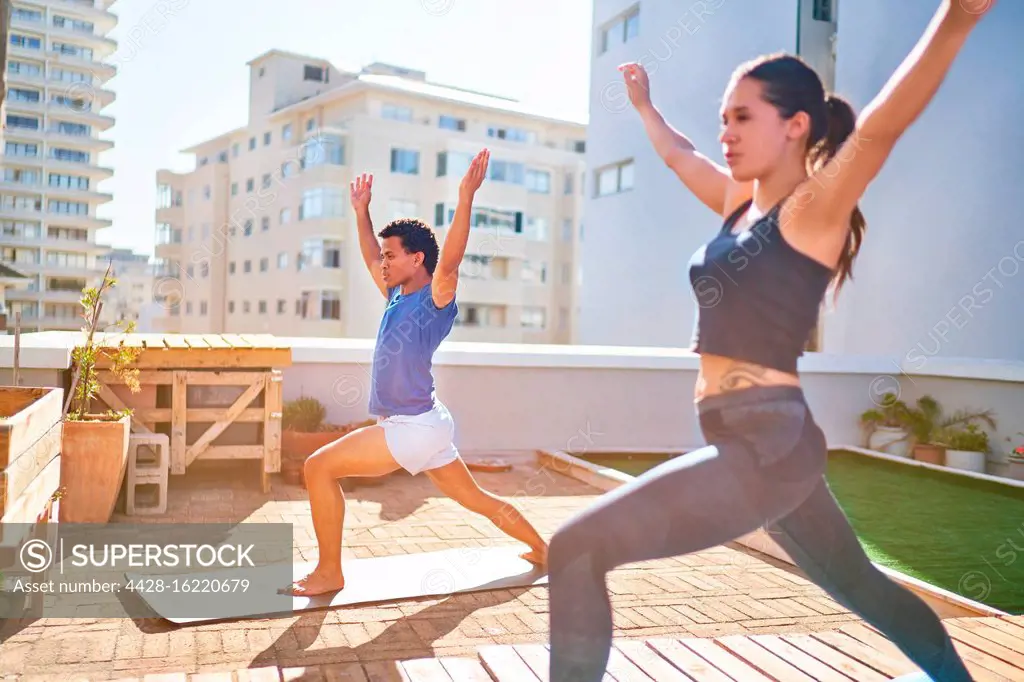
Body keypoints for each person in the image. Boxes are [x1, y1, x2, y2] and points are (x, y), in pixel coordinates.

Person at [546, 2, 995, 681]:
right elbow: (679, 155)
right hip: (761, 444)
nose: (725, 131)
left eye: (742, 117)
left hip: (765, 446)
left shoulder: (812, 209)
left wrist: (956, 19)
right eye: (724, 117)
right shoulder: (738, 208)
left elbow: (879, 130)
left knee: (574, 550)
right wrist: (644, 107)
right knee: (862, 587)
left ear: (796, 126)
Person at [286, 149, 548, 597]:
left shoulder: (434, 299)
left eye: (392, 256)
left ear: (417, 259)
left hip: (411, 427)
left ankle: (330, 571)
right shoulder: (395, 296)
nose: (383, 263)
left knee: (318, 468)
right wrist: (361, 212)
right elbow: (371, 254)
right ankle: (544, 549)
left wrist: (465, 197)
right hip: (424, 422)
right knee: (476, 500)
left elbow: (451, 261)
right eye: (384, 257)